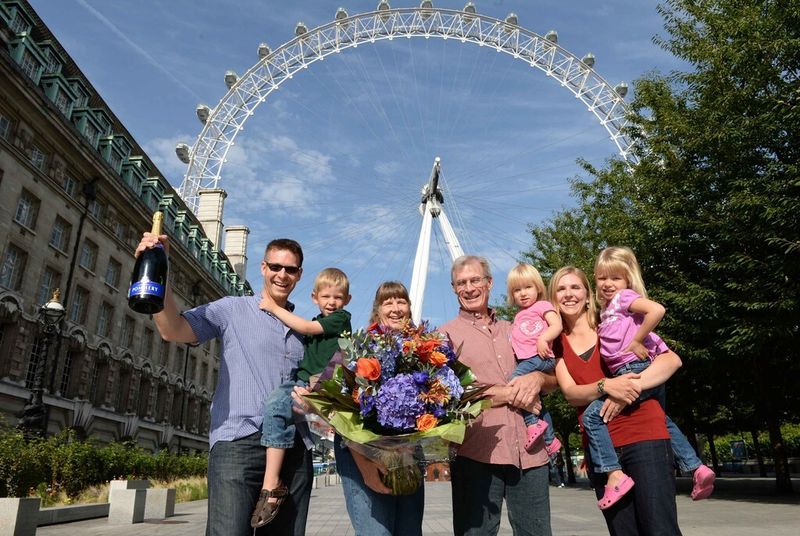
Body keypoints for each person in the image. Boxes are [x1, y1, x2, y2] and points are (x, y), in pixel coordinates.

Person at [134, 234, 312, 536]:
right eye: (275, 266)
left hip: (293, 449)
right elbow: (173, 329)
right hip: (238, 443)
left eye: (291, 269)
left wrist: (313, 399)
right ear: (263, 267)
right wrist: (158, 270)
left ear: (299, 275)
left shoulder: (305, 331)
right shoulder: (232, 309)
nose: (282, 274)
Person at [551, 266, 684, 535]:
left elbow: (670, 360)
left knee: (660, 529)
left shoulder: (613, 322)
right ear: (553, 300)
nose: (569, 294)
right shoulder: (555, 343)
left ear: (588, 296)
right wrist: (606, 385)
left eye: (575, 287)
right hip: (602, 452)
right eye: (561, 289)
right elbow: (570, 393)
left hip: (644, 435)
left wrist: (628, 389)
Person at [583, 246, 714, 508]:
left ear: (628, 279)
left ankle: (613, 474)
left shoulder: (624, 299)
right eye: (602, 277)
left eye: (615, 278)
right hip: (636, 370)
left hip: (634, 369)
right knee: (660, 418)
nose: (608, 284)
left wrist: (637, 339)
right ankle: (697, 467)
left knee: (591, 417)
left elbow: (657, 310)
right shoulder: (609, 310)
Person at [441, 255, 556, 536]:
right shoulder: (445, 336)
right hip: (477, 452)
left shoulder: (516, 327)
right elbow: (446, 396)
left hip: (530, 452)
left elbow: (555, 378)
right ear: (454, 288)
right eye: (461, 283)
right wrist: (507, 393)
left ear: (489, 283)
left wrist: (539, 378)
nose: (468, 288)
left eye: (475, 280)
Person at [251, 267, 352, 528]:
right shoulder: (323, 321)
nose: (332, 303)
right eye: (327, 297)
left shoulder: (341, 319)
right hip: (304, 382)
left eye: (338, 297)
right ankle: (271, 482)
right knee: (276, 408)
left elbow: (305, 326)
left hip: (327, 382)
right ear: (315, 297)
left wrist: (273, 307)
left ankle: (271, 484)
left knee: (277, 405)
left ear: (347, 301)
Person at [333, 281, 425, 536]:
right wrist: (365, 465)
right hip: (361, 455)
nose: (396, 308)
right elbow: (336, 409)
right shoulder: (358, 347)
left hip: (408, 456)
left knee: (409, 532)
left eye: (401, 301)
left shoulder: (422, 348)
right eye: (388, 302)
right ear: (377, 310)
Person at [507, 263, 563, 456]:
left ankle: (532, 424)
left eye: (527, 287)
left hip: (540, 358)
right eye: (517, 290)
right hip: (528, 361)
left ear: (538, 287)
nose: (523, 293)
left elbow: (557, 325)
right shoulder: (518, 315)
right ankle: (551, 440)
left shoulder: (543, 306)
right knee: (536, 399)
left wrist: (543, 338)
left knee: (513, 385)